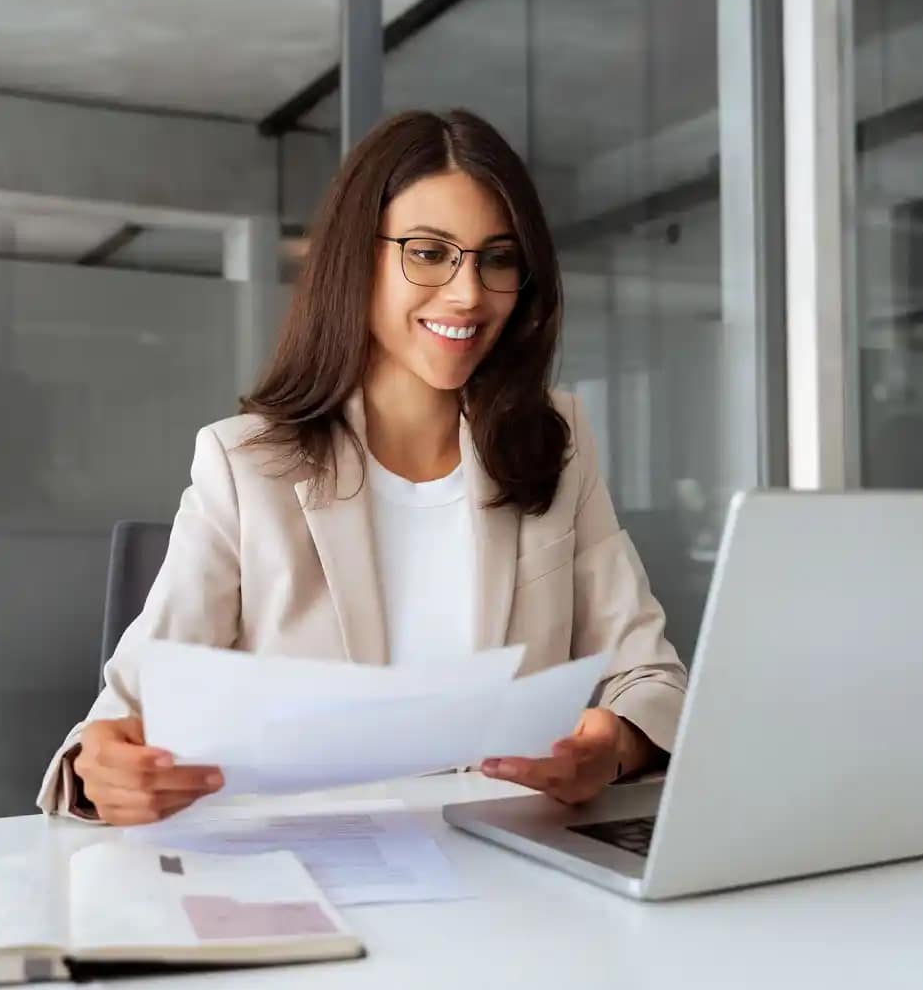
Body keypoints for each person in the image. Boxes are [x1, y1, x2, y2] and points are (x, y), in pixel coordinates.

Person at [37, 109, 687, 825]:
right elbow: (120, 722)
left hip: (511, 873)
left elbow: (650, 676)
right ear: (359, 257)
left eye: (497, 257)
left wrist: (615, 745)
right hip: (308, 875)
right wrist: (102, 771)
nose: (469, 293)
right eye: (429, 252)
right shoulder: (245, 466)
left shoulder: (556, 443)